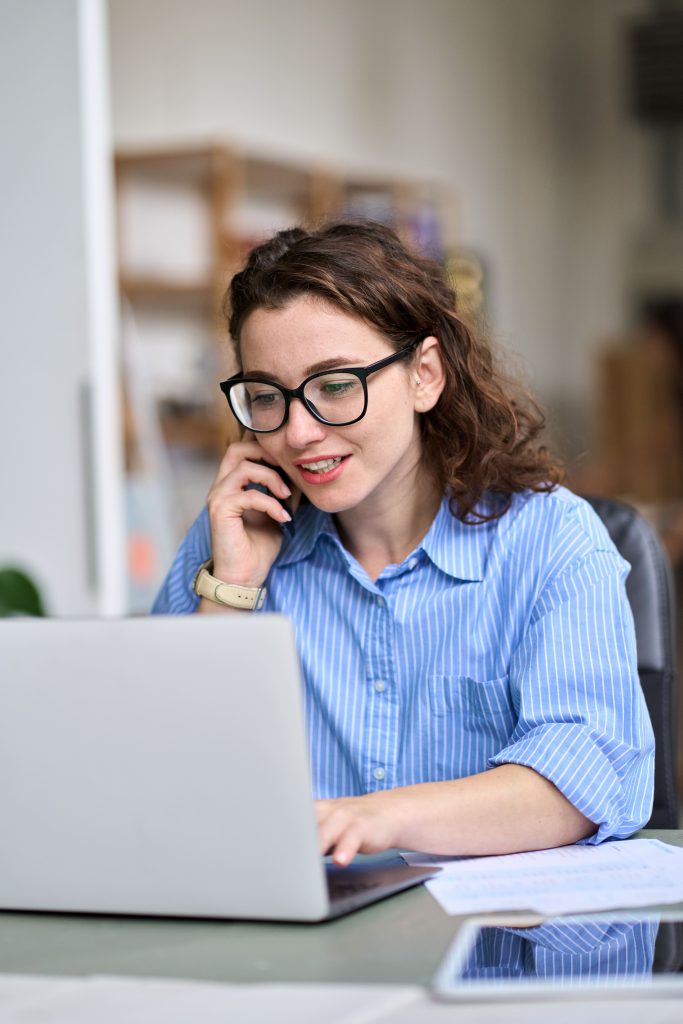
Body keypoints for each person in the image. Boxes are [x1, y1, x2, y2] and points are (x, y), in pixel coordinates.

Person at [153, 220, 654, 866]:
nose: (298, 432)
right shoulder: (233, 537)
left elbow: (585, 780)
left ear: (424, 374)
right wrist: (231, 588)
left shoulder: (550, 541)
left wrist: (379, 818)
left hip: (491, 954)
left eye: (334, 386)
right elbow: (162, 772)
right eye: (265, 396)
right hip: (297, 955)